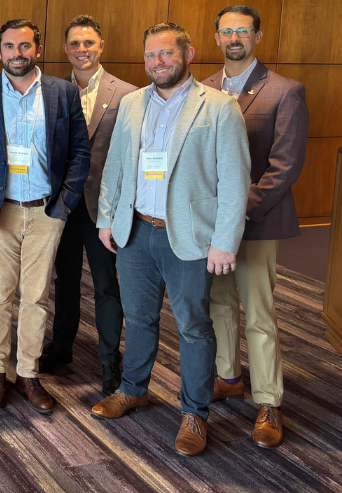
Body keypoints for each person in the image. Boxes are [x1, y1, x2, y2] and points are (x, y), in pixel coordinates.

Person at [92, 23, 250, 457]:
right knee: (138, 318)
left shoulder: (219, 108)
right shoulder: (130, 104)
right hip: (136, 232)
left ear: (189, 54)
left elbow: (235, 182)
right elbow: (116, 167)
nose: (157, 63)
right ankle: (133, 389)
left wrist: (225, 241)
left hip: (191, 238)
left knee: (194, 328)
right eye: (150, 56)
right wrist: (107, 219)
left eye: (166, 54)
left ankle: (195, 413)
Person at [0, 19, 90, 415]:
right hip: (0, 212)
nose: (16, 53)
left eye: (24, 46)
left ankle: (29, 372)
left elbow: (80, 153)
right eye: (8, 46)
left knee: (36, 297)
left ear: (38, 49)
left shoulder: (63, 93)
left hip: (45, 212)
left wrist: (64, 204)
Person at [202, 4, 309, 448]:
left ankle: (268, 400)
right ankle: (228, 376)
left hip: (256, 221)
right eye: (227, 31)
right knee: (219, 305)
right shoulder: (203, 89)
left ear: (257, 37)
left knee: (259, 314)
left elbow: (285, 166)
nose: (234, 38)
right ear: (216, 38)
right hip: (210, 227)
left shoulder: (285, 91)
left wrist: (237, 211)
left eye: (242, 31)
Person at [40, 15, 137, 395]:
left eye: (89, 43)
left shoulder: (127, 94)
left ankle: (110, 358)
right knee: (63, 281)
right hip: (63, 206)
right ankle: (61, 347)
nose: (83, 50)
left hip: (105, 211)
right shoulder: (49, 91)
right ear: (65, 49)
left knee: (106, 285)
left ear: (101, 47)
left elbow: (131, 156)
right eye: (75, 44)